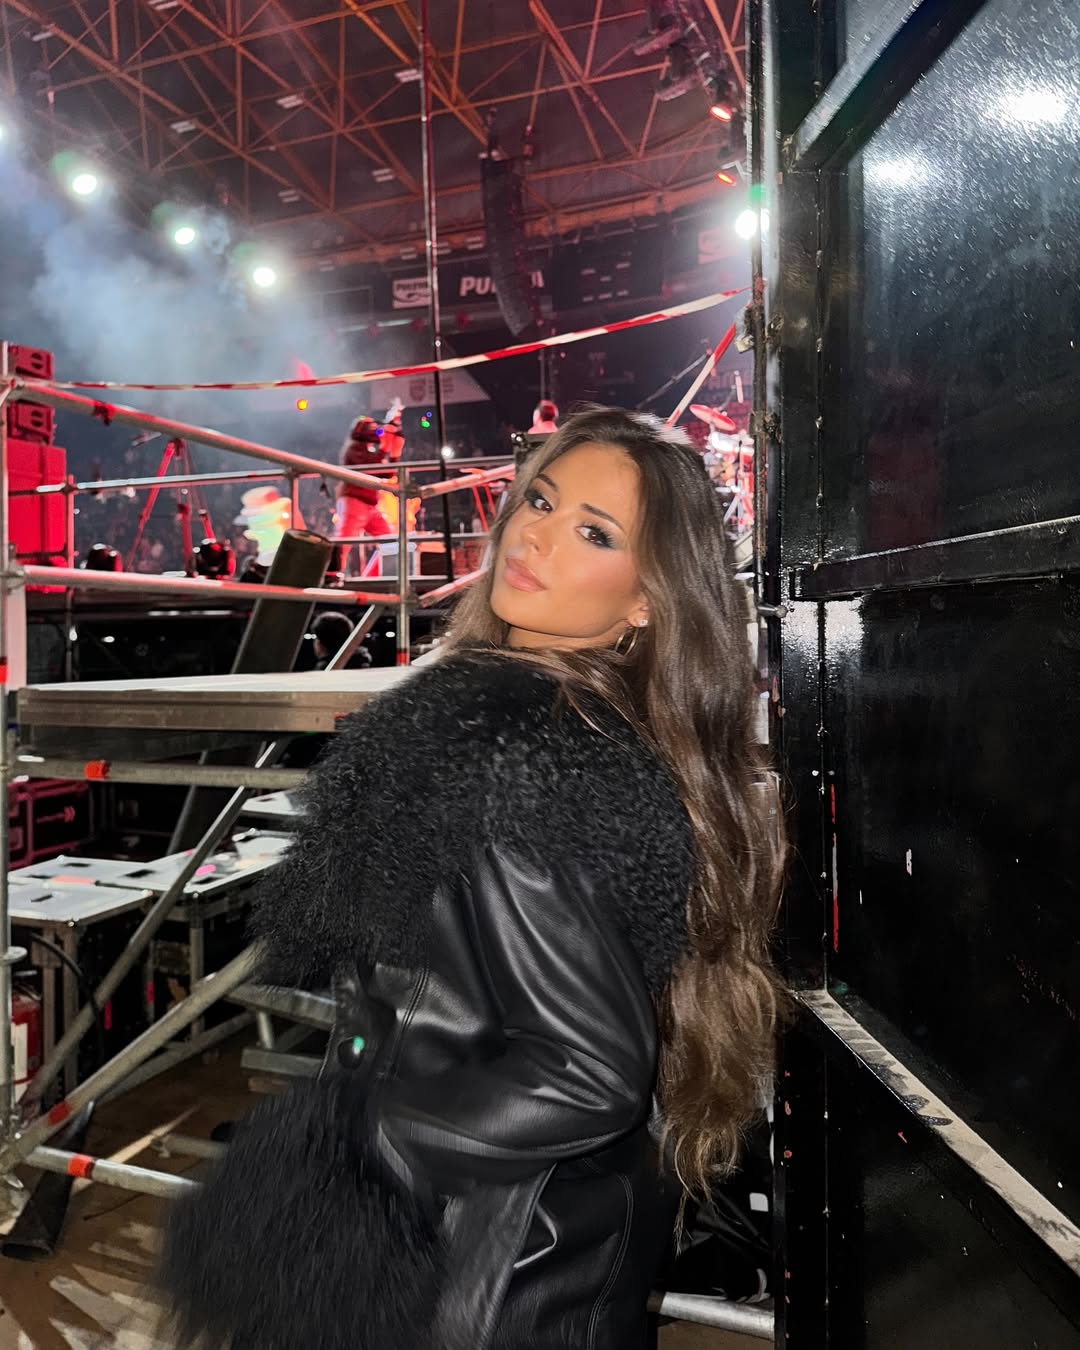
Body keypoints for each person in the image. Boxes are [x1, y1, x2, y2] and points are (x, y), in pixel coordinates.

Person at [158, 406, 786, 1350]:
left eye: (595, 533)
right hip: (503, 1229)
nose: (534, 534)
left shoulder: (522, 751)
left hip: (482, 1265)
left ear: (646, 601)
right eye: (540, 499)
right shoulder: (559, 723)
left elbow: (587, 1070)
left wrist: (354, 1153)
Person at [333, 402, 405, 574]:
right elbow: (372, 469)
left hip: (370, 505)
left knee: (390, 543)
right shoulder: (353, 449)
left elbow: (386, 473)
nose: (375, 431)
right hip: (354, 502)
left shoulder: (367, 450)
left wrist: (394, 454)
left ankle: (372, 576)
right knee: (343, 544)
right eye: (371, 427)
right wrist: (386, 447)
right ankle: (330, 575)